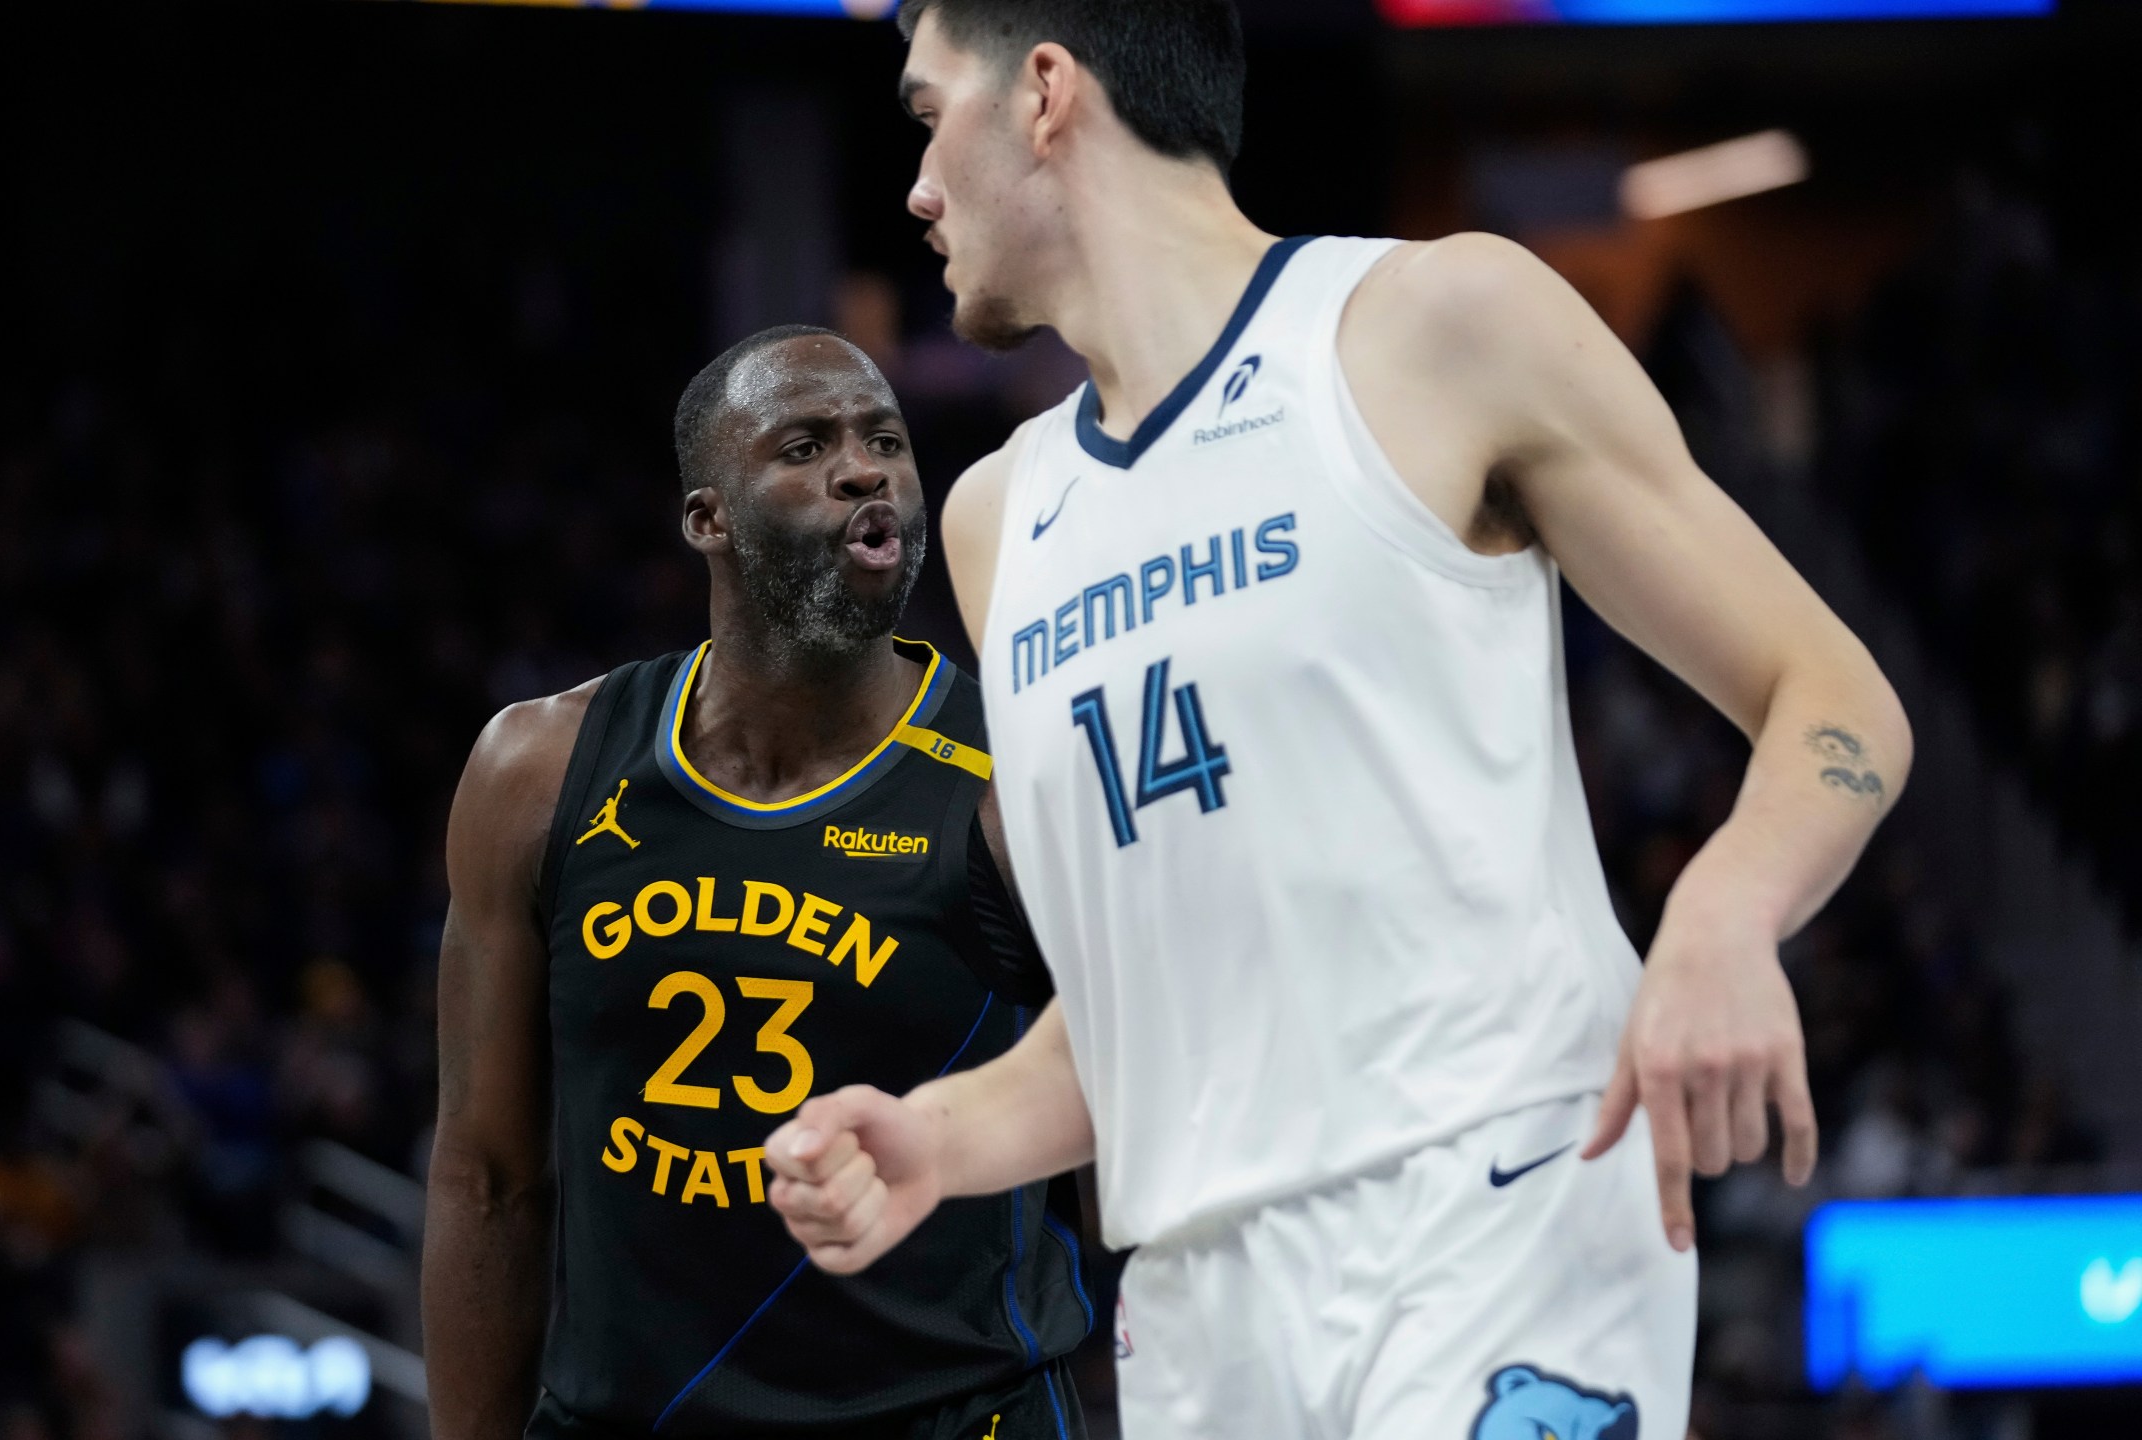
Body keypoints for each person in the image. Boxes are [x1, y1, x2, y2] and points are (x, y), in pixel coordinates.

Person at [762, 4, 1912, 1439]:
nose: (917, 189)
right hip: (1197, 1295)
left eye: (931, 117)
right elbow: (1155, 1010)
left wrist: (1723, 918)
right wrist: (938, 1135)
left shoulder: (1436, 327)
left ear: (1046, 92)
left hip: (1498, 1195)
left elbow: (1834, 699)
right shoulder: (1001, 521)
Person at [423, 325, 1092, 1439]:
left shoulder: (1016, 772)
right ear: (707, 518)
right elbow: (487, 1175)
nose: (863, 466)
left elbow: (1125, 1125)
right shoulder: (538, 773)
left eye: (886, 439)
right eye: (805, 443)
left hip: (955, 1415)